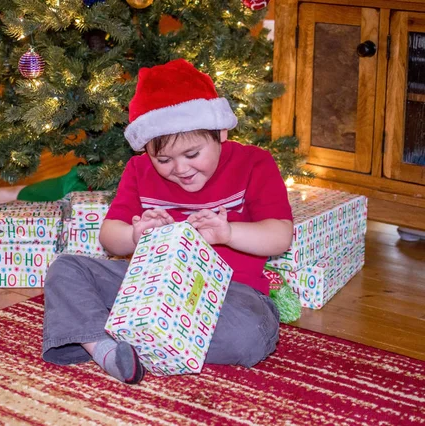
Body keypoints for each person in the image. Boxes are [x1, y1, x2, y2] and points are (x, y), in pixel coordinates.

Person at [43, 58, 293, 385]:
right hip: (144, 290)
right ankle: (102, 347)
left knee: (249, 335)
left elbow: (279, 236)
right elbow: (109, 237)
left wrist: (228, 233)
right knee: (67, 268)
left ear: (220, 132)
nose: (180, 168)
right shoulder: (138, 171)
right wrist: (136, 236)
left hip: (230, 295)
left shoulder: (253, 163)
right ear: (146, 150)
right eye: (163, 159)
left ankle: (125, 338)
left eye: (192, 154)